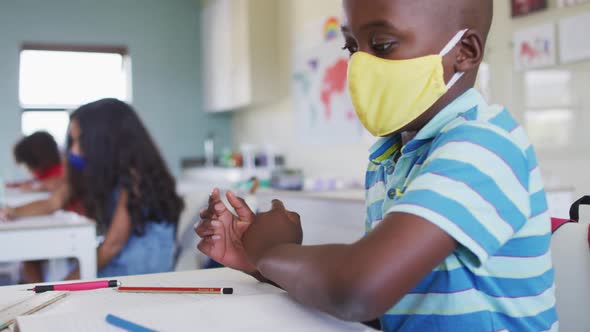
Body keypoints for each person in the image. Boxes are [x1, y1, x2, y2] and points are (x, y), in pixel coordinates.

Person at [196, 0, 558, 331]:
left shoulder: (485, 144)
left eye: (382, 45)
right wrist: (259, 262)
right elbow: (383, 306)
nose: (359, 65)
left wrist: (271, 250)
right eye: (352, 47)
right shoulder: (389, 159)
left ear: (464, 52)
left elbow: (360, 289)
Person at [1, 99, 184, 282]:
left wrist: (66, 283)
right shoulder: (103, 172)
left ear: (107, 140)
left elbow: (113, 244)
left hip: (139, 274)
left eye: (80, 141)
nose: (73, 151)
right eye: (72, 141)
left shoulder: (135, 177)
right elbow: (53, 202)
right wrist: (13, 212)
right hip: (116, 261)